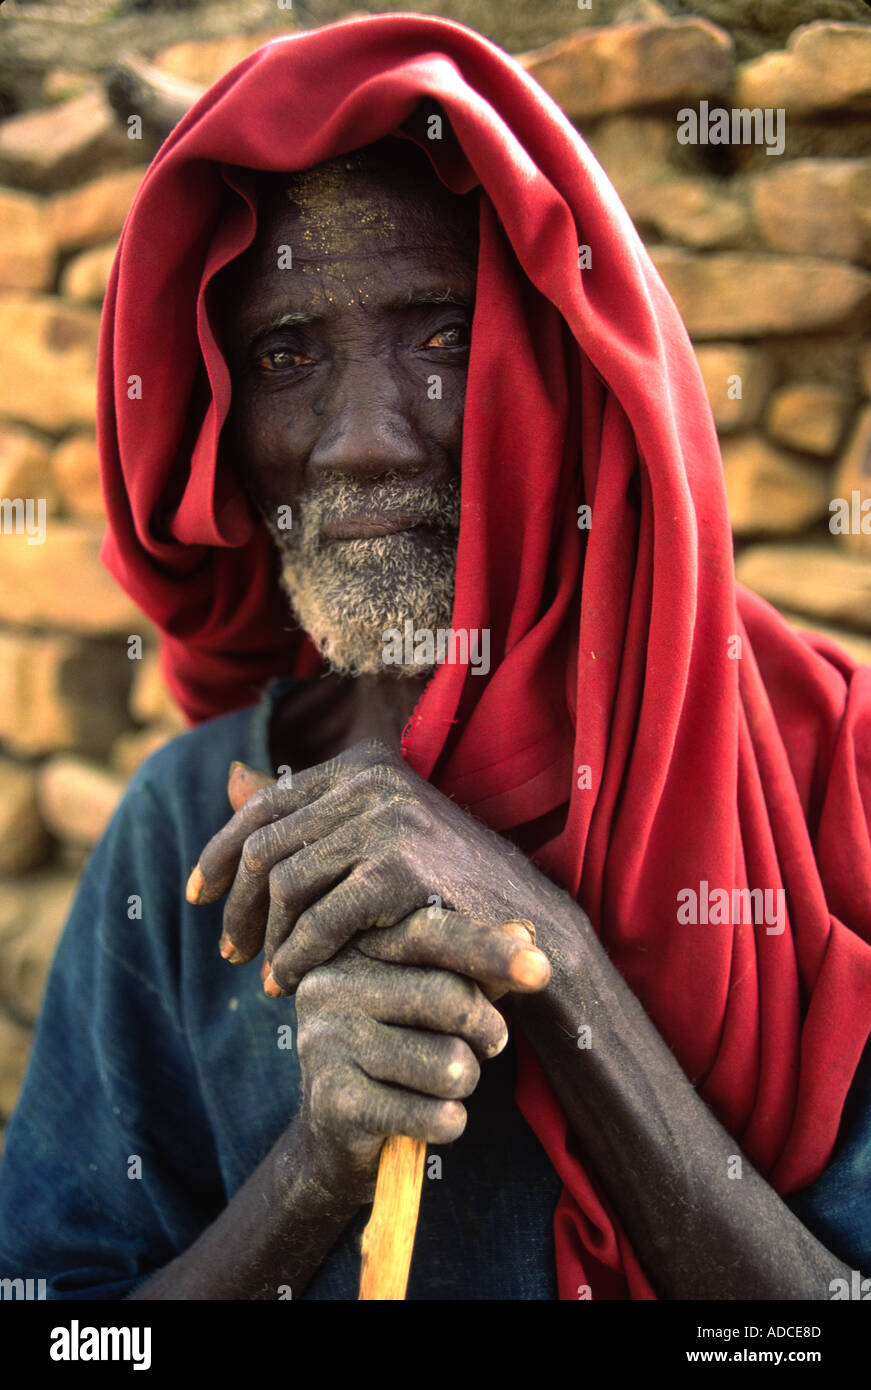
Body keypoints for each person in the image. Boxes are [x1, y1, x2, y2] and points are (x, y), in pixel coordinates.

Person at [0, 13, 869, 1302]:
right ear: (223, 424)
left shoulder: (822, 772)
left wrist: (556, 969)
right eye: (285, 354)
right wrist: (307, 1179)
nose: (360, 442)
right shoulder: (188, 834)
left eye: (443, 336)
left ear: (566, 366)